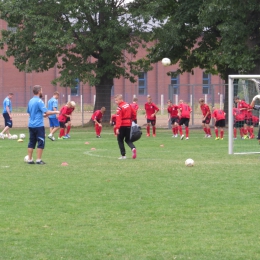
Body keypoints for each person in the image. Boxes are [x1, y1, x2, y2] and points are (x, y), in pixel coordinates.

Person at [26, 85, 59, 164]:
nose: (42, 92)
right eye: (41, 90)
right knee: (41, 141)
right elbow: (46, 112)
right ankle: (38, 160)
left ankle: (30, 160)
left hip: (31, 124)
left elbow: (30, 113)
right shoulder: (39, 101)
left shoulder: (30, 100)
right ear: (39, 92)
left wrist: (44, 115)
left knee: (31, 142)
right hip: (38, 125)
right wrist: (56, 112)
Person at [114, 94, 137, 159]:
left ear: (121, 100)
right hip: (129, 124)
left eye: (117, 100)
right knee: (127, 139)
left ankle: (123, 155)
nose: (116, 102)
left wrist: (117, 128)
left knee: (120, 139)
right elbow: (134, 113)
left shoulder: (119, 108)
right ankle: (133, 148)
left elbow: (118, 118)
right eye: (115, 100)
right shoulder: (128, 105)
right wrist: (132, 119)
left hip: (122, 125)